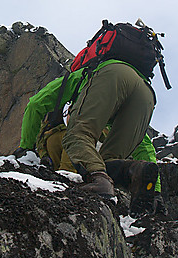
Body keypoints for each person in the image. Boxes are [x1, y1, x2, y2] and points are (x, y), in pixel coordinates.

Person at [16, 56, 166, 215]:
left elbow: (35, 104)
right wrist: (156, 192)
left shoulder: (81, 74)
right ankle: (138, 181)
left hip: (112, 75)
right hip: (146, 94)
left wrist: (25, 148)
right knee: (109, 162)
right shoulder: (128, 83)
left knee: (76, 136)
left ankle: (100, 182)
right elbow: (145, 146)